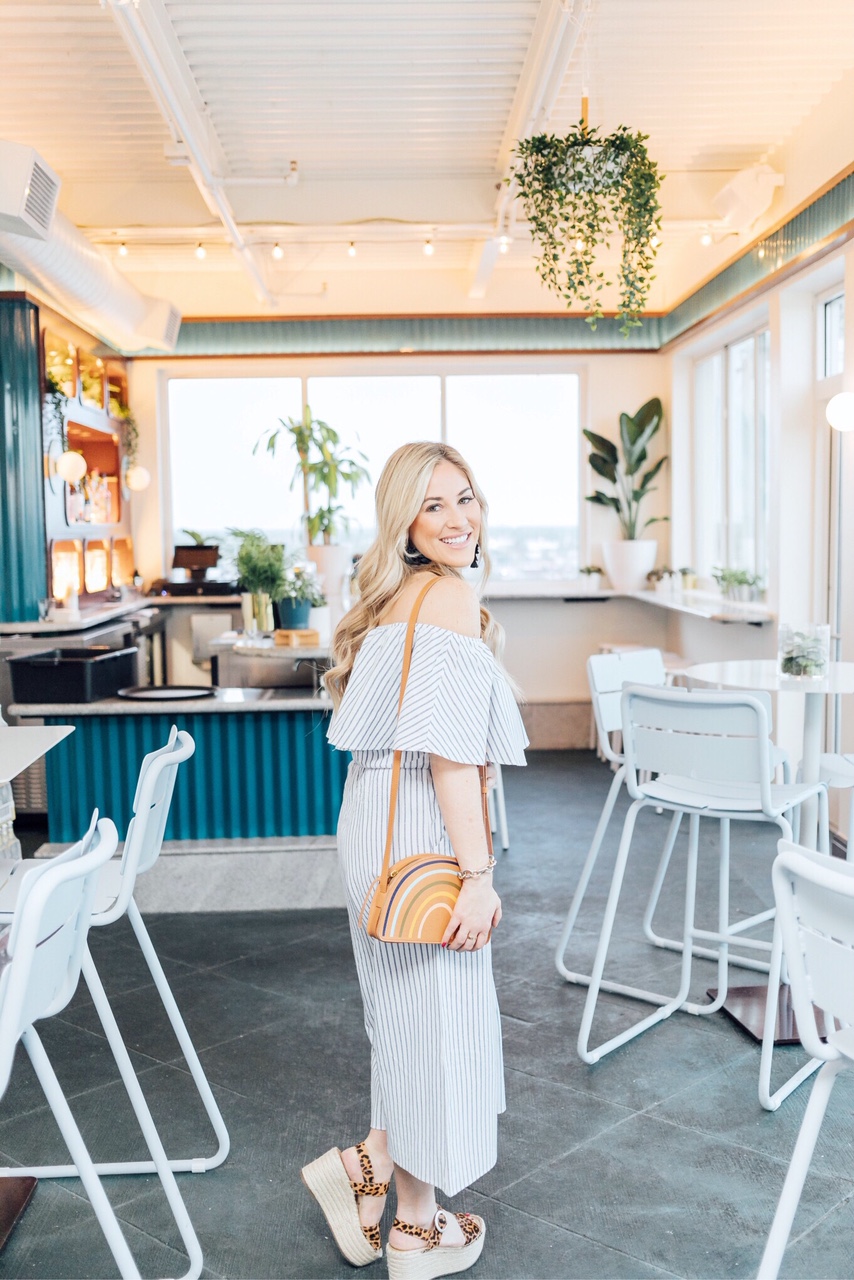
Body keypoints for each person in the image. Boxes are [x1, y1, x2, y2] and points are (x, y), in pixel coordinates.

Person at [301, 442, 528, 1280]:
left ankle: (368, 1167)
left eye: (465, 497)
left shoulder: (400, 597)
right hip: (422, 822)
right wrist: (478, 873)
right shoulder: (449, 597)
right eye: (433, 505)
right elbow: (448, 754)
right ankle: (418, 1232)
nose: (459, 518)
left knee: (407, 1024)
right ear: (402, 520)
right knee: (433, 1029)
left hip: (375, 816)